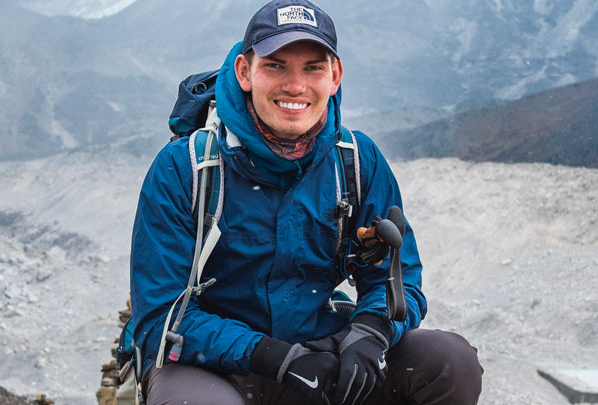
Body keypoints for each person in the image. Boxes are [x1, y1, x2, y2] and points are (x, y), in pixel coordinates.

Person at [127, 1, 482, 404]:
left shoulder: (356, 160)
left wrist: (369, 333)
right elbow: (159, 316)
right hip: (216, 367)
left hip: (323, 352)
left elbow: (400, 282)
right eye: (275, 65)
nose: (295, 86)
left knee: (449, 361)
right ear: (245, 72)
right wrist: (275, 358)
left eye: (313, 67)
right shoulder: (186, 168)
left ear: (335, 75)